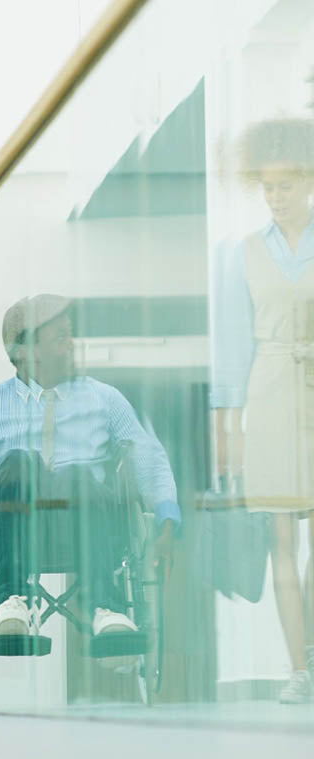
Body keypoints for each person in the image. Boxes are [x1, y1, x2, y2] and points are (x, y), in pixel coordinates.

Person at [0, 295, 178, 642]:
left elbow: (150, 459)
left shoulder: (105, 399)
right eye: (61, 338)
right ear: (27, 351)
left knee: (78, 474)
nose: (71, 346)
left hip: (88, 526)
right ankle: (12, 601)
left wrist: (166, 521)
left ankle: (104, 602)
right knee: (16, 462)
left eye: (70, 336)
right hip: (13, 532)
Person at [211, 117, 314, 703]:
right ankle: (298, 668)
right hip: (271, 394)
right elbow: (231, 349)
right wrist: (227, 428)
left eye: (287, 185)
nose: (277, 198)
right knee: (283, 541)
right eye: (268, 187)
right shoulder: (243, 254)